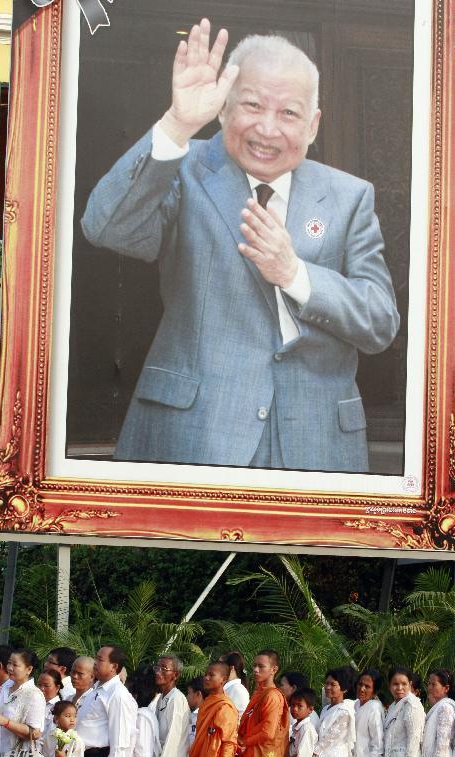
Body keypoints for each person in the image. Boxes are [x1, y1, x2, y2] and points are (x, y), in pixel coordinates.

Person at [81, 19, 399, 472]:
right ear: (224, 109)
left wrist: (295, 274)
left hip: (315, 445)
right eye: (251, 105)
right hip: (195, 435)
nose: (268, 129)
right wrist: (177, 124)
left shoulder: (349, 197)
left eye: (288, 113)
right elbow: (106, 226)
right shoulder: (184, 170)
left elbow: (380, 322)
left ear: (312, 125)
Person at [221, 652, 250, 721]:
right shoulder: (229, 688)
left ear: (232, 668)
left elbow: (239, 720)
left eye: (221, 666)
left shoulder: (238, 690)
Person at [186, 677, 205, 748]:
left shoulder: (201, 715)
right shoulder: (193, 715)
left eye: (189, 693)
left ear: (198, 694)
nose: (187, 697)